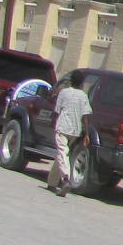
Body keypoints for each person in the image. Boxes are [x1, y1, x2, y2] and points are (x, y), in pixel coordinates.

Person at [47, 70, 92, 198]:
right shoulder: (83, 96)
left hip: (62, 127)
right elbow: (85, 116)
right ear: (82, 83)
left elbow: (56, 111)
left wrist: (52, 123)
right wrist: (87, 134)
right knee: (62, 154)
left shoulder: (64, 93)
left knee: (62, 153)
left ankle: (66, 179)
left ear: (71, 81)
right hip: (75, 130)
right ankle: (52, 182)